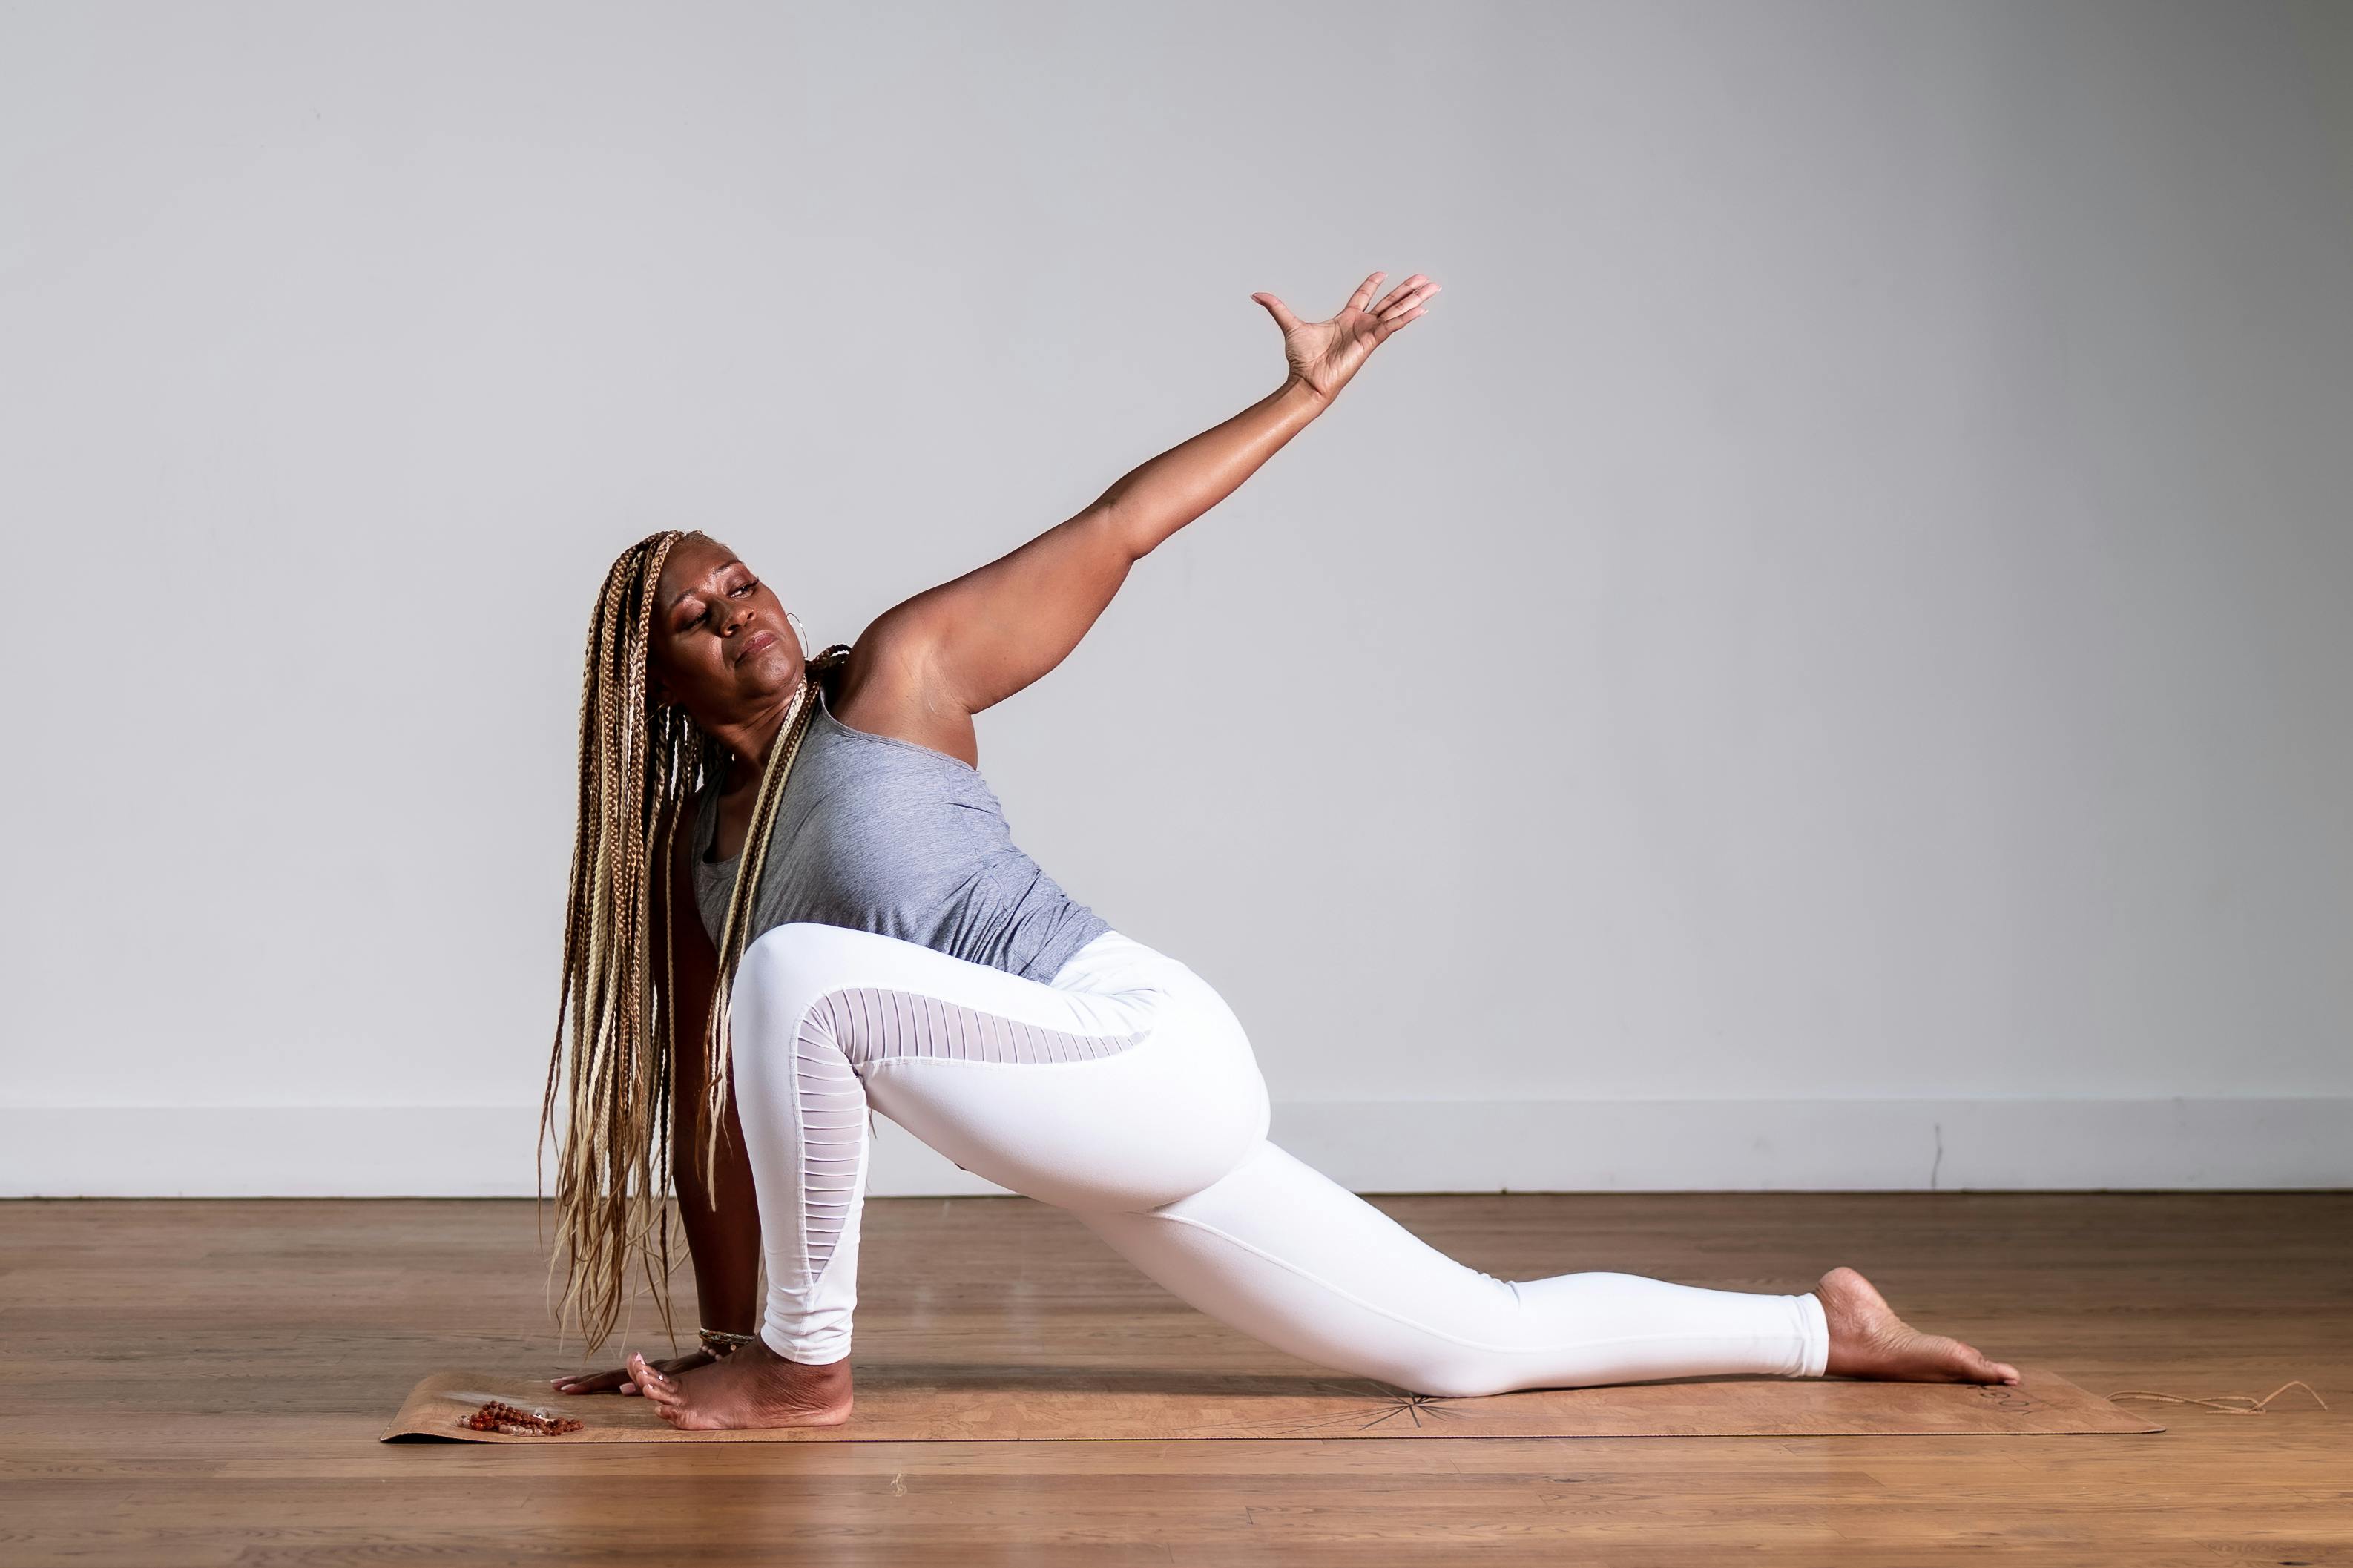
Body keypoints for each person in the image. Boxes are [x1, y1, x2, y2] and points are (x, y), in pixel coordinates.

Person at [538, 271, 2018, 1430]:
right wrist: (724, 1337)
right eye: (698, 615)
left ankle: (811, 1375)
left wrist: (1297, 393)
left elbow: (1115, 528)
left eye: (743, 578)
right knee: (1467, 1343)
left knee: (800, 976)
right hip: (1103, 1140)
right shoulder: (696, 857)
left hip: (1139, 1047)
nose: (745, 610)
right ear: (653, 686)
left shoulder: (897, 680)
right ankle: (1820, 1326)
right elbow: (711, 1123)